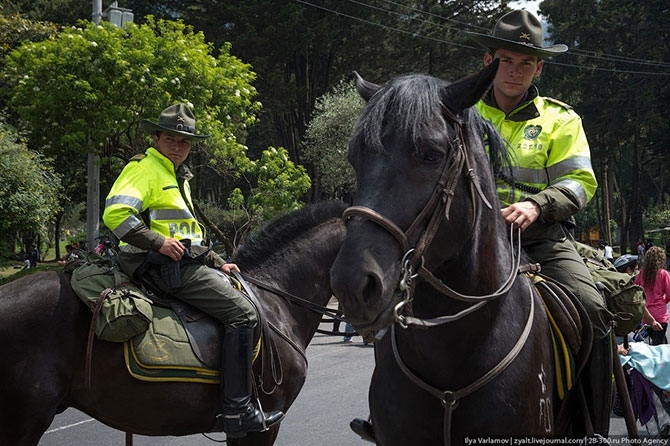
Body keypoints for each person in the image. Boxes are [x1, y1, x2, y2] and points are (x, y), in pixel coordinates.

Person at [468, 9, 614, 436]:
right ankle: (389, 412)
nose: (515, 71)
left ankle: (593, 429)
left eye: (525, 63)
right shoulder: (461, 110)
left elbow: (580, 181)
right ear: (488, 61)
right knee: (398, 301)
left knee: (593, 310)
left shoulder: (561, 118)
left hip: (541, 241)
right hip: (470, 242)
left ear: (539, 67)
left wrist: (538, 206)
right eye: (506, 60)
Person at [102, 104, 283, 437]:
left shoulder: (176, 175)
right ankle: (237, 410)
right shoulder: (145, 169)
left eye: (184, 142)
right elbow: (116, 214)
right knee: (244, 315)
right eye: (170, 139)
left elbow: (187, 236)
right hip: (158, 266)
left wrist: (218, 261)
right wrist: (157, 242)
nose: (177, 147)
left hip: (180, 260)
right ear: (155, 138)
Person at [634, 246, 670, 346]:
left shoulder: (641, 274)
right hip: (660, 315)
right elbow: (669, 294)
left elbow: (636, 292)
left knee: (654, 344)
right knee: (658, 347)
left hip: (646, 315)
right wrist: (663, 301)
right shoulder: (663, 274)